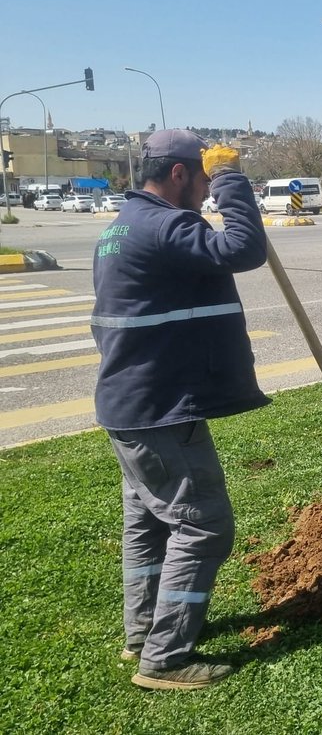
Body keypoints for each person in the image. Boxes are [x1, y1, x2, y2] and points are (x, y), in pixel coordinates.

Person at [91, 129, 268, 691]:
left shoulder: (120, 227)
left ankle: (142, 633)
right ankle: (166, 657)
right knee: (203, 524)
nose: (205, 189)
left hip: (129, 405)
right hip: (160, 408)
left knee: (147, 524)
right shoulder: (166, 224)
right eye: (204, 177)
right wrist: (235, 182)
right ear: (178, 174)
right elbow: (242, 250)